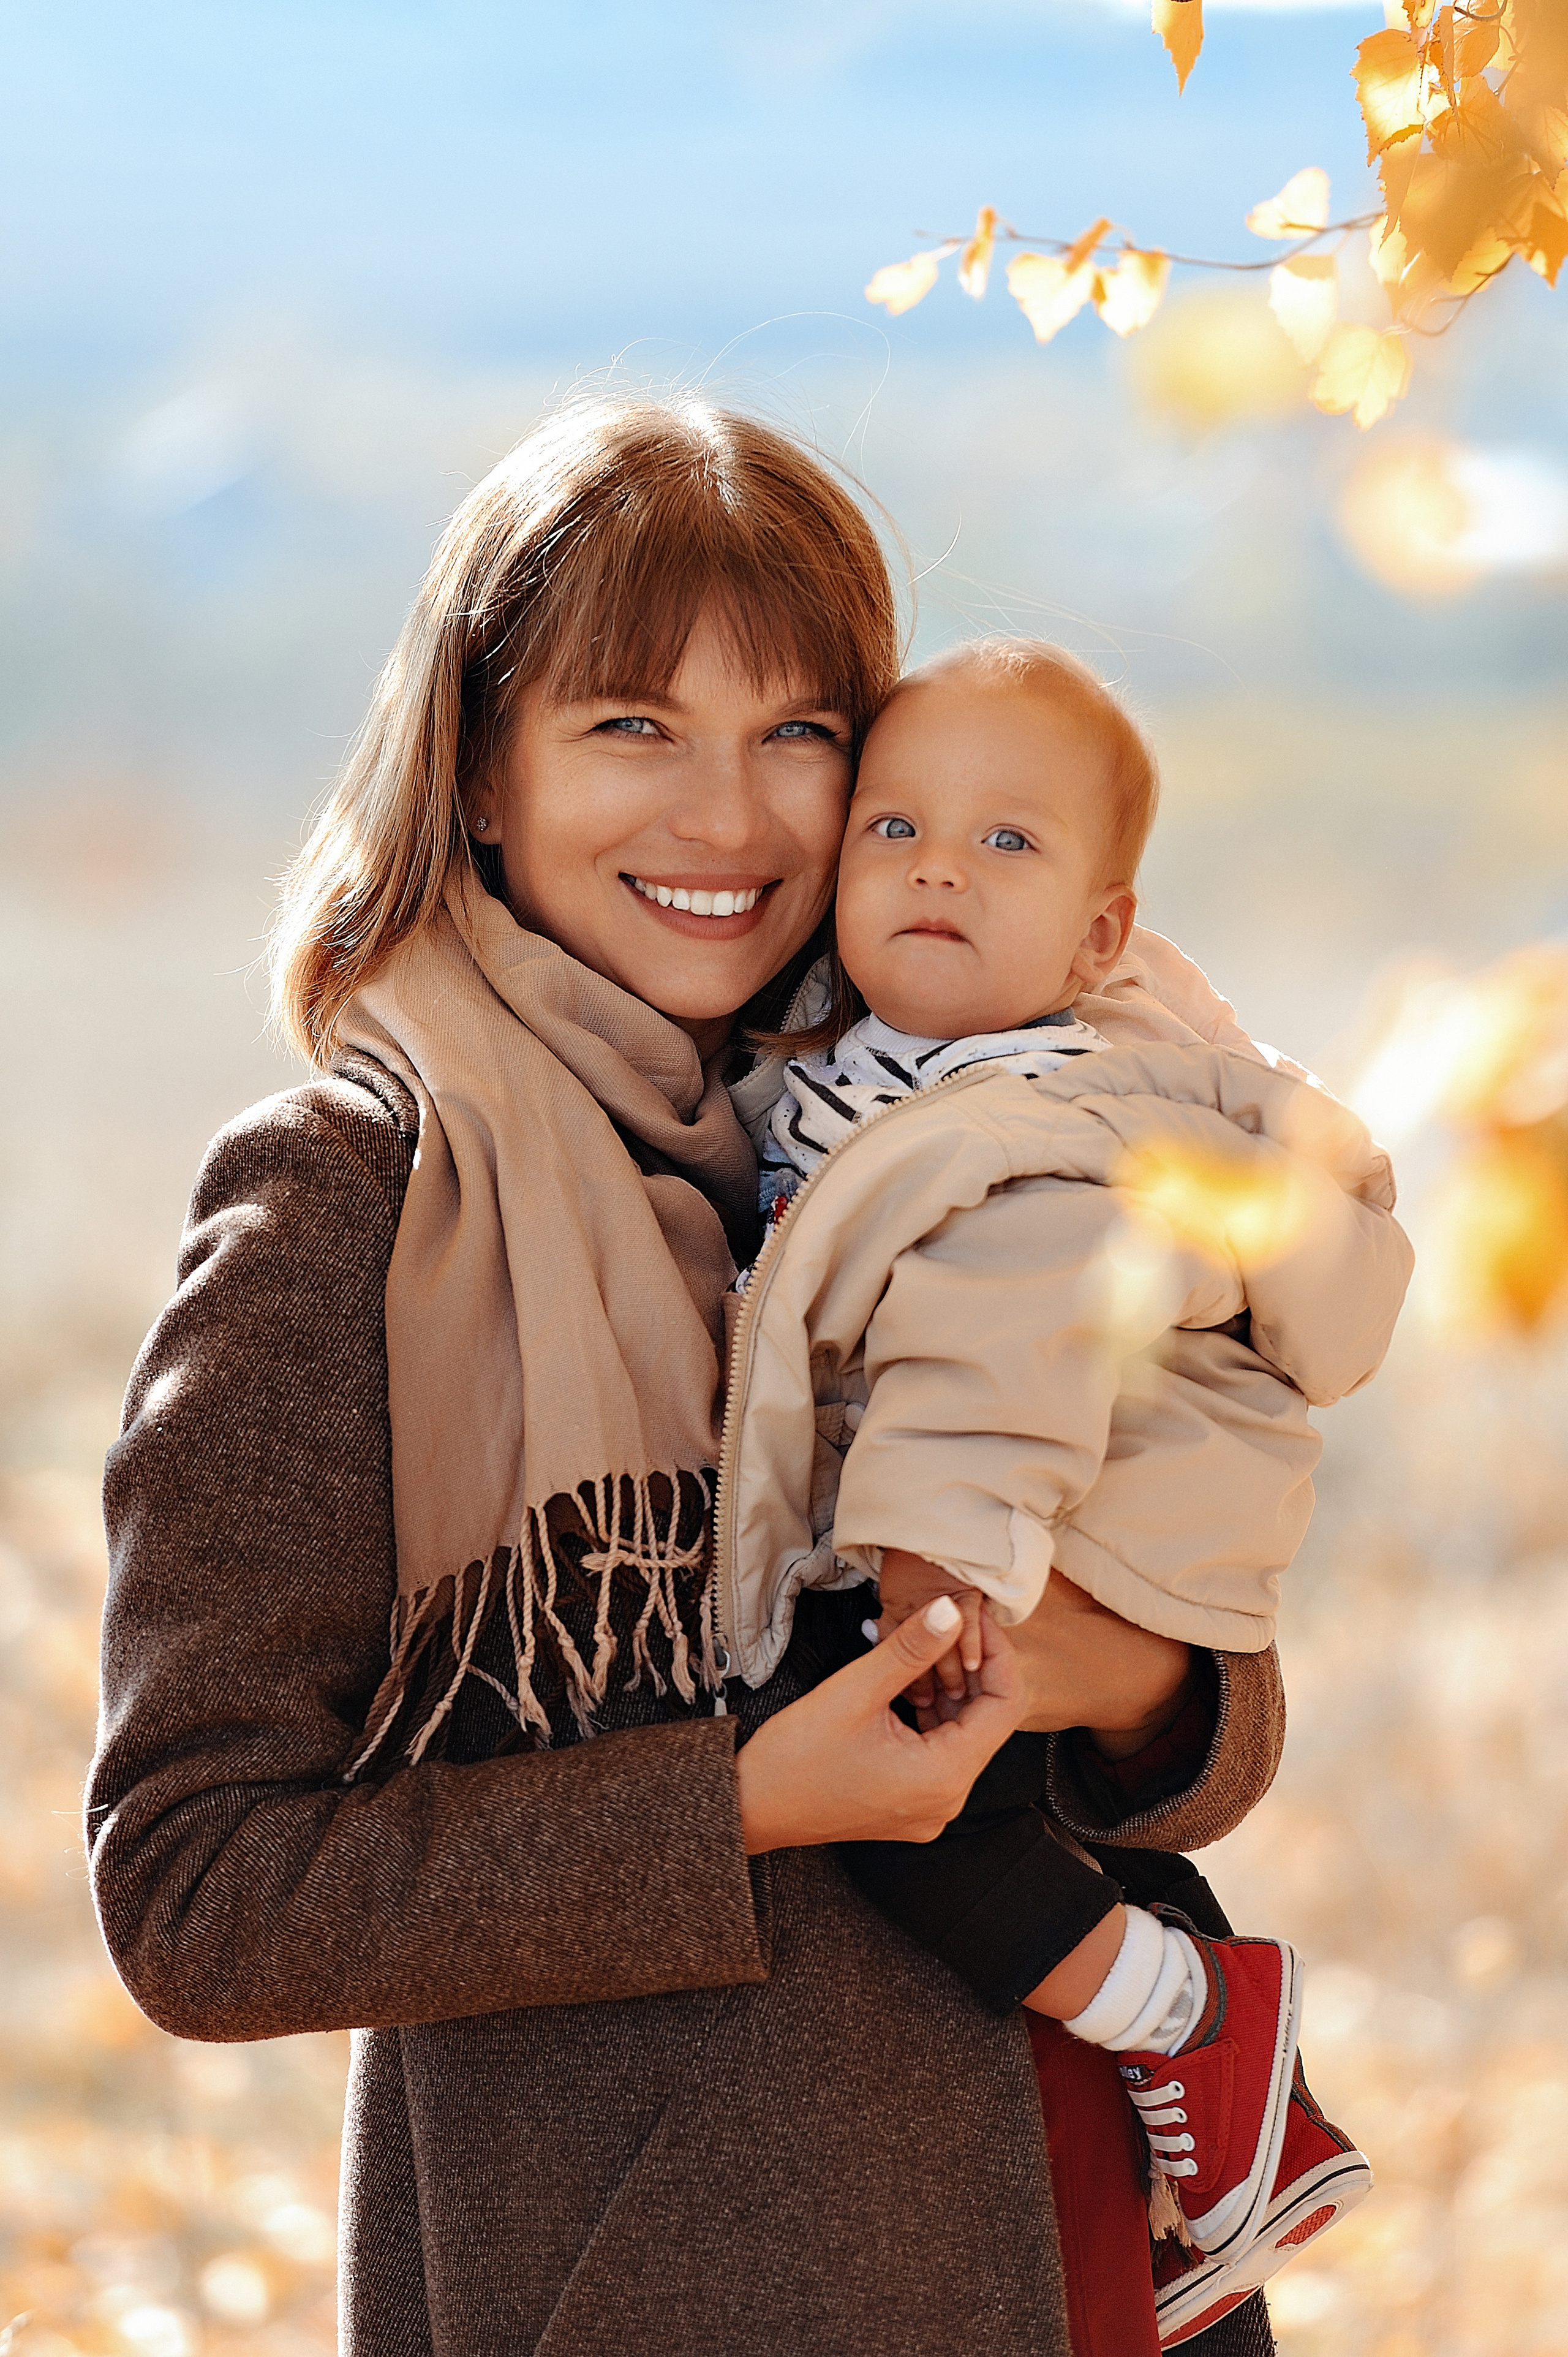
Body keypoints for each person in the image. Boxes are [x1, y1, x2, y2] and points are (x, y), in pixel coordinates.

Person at [88, 397, 1290, 2357]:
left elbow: (1213, 1728)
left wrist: (1133, 1681)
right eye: (631, 727)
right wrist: (733, 1806)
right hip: (662, 2287)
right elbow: (199, 1897)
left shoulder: (953, 1136)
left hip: (1092, 2238)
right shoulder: (351, 1209)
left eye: (796, 735)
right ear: (482, 772)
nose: (725, 820)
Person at [729, 635, 1409, 2336]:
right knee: (994, 1828)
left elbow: (990, 1368)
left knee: (913, 1810)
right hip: (1056, 1558)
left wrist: (925, 1584)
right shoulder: (894, 1071)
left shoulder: (1036, 1131)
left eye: (1007, 844)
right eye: (894, 830)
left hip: (1008, 1549)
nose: (939, 866)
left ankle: (1186, 2019)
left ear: (1101, 937)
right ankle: (1201, 2184)